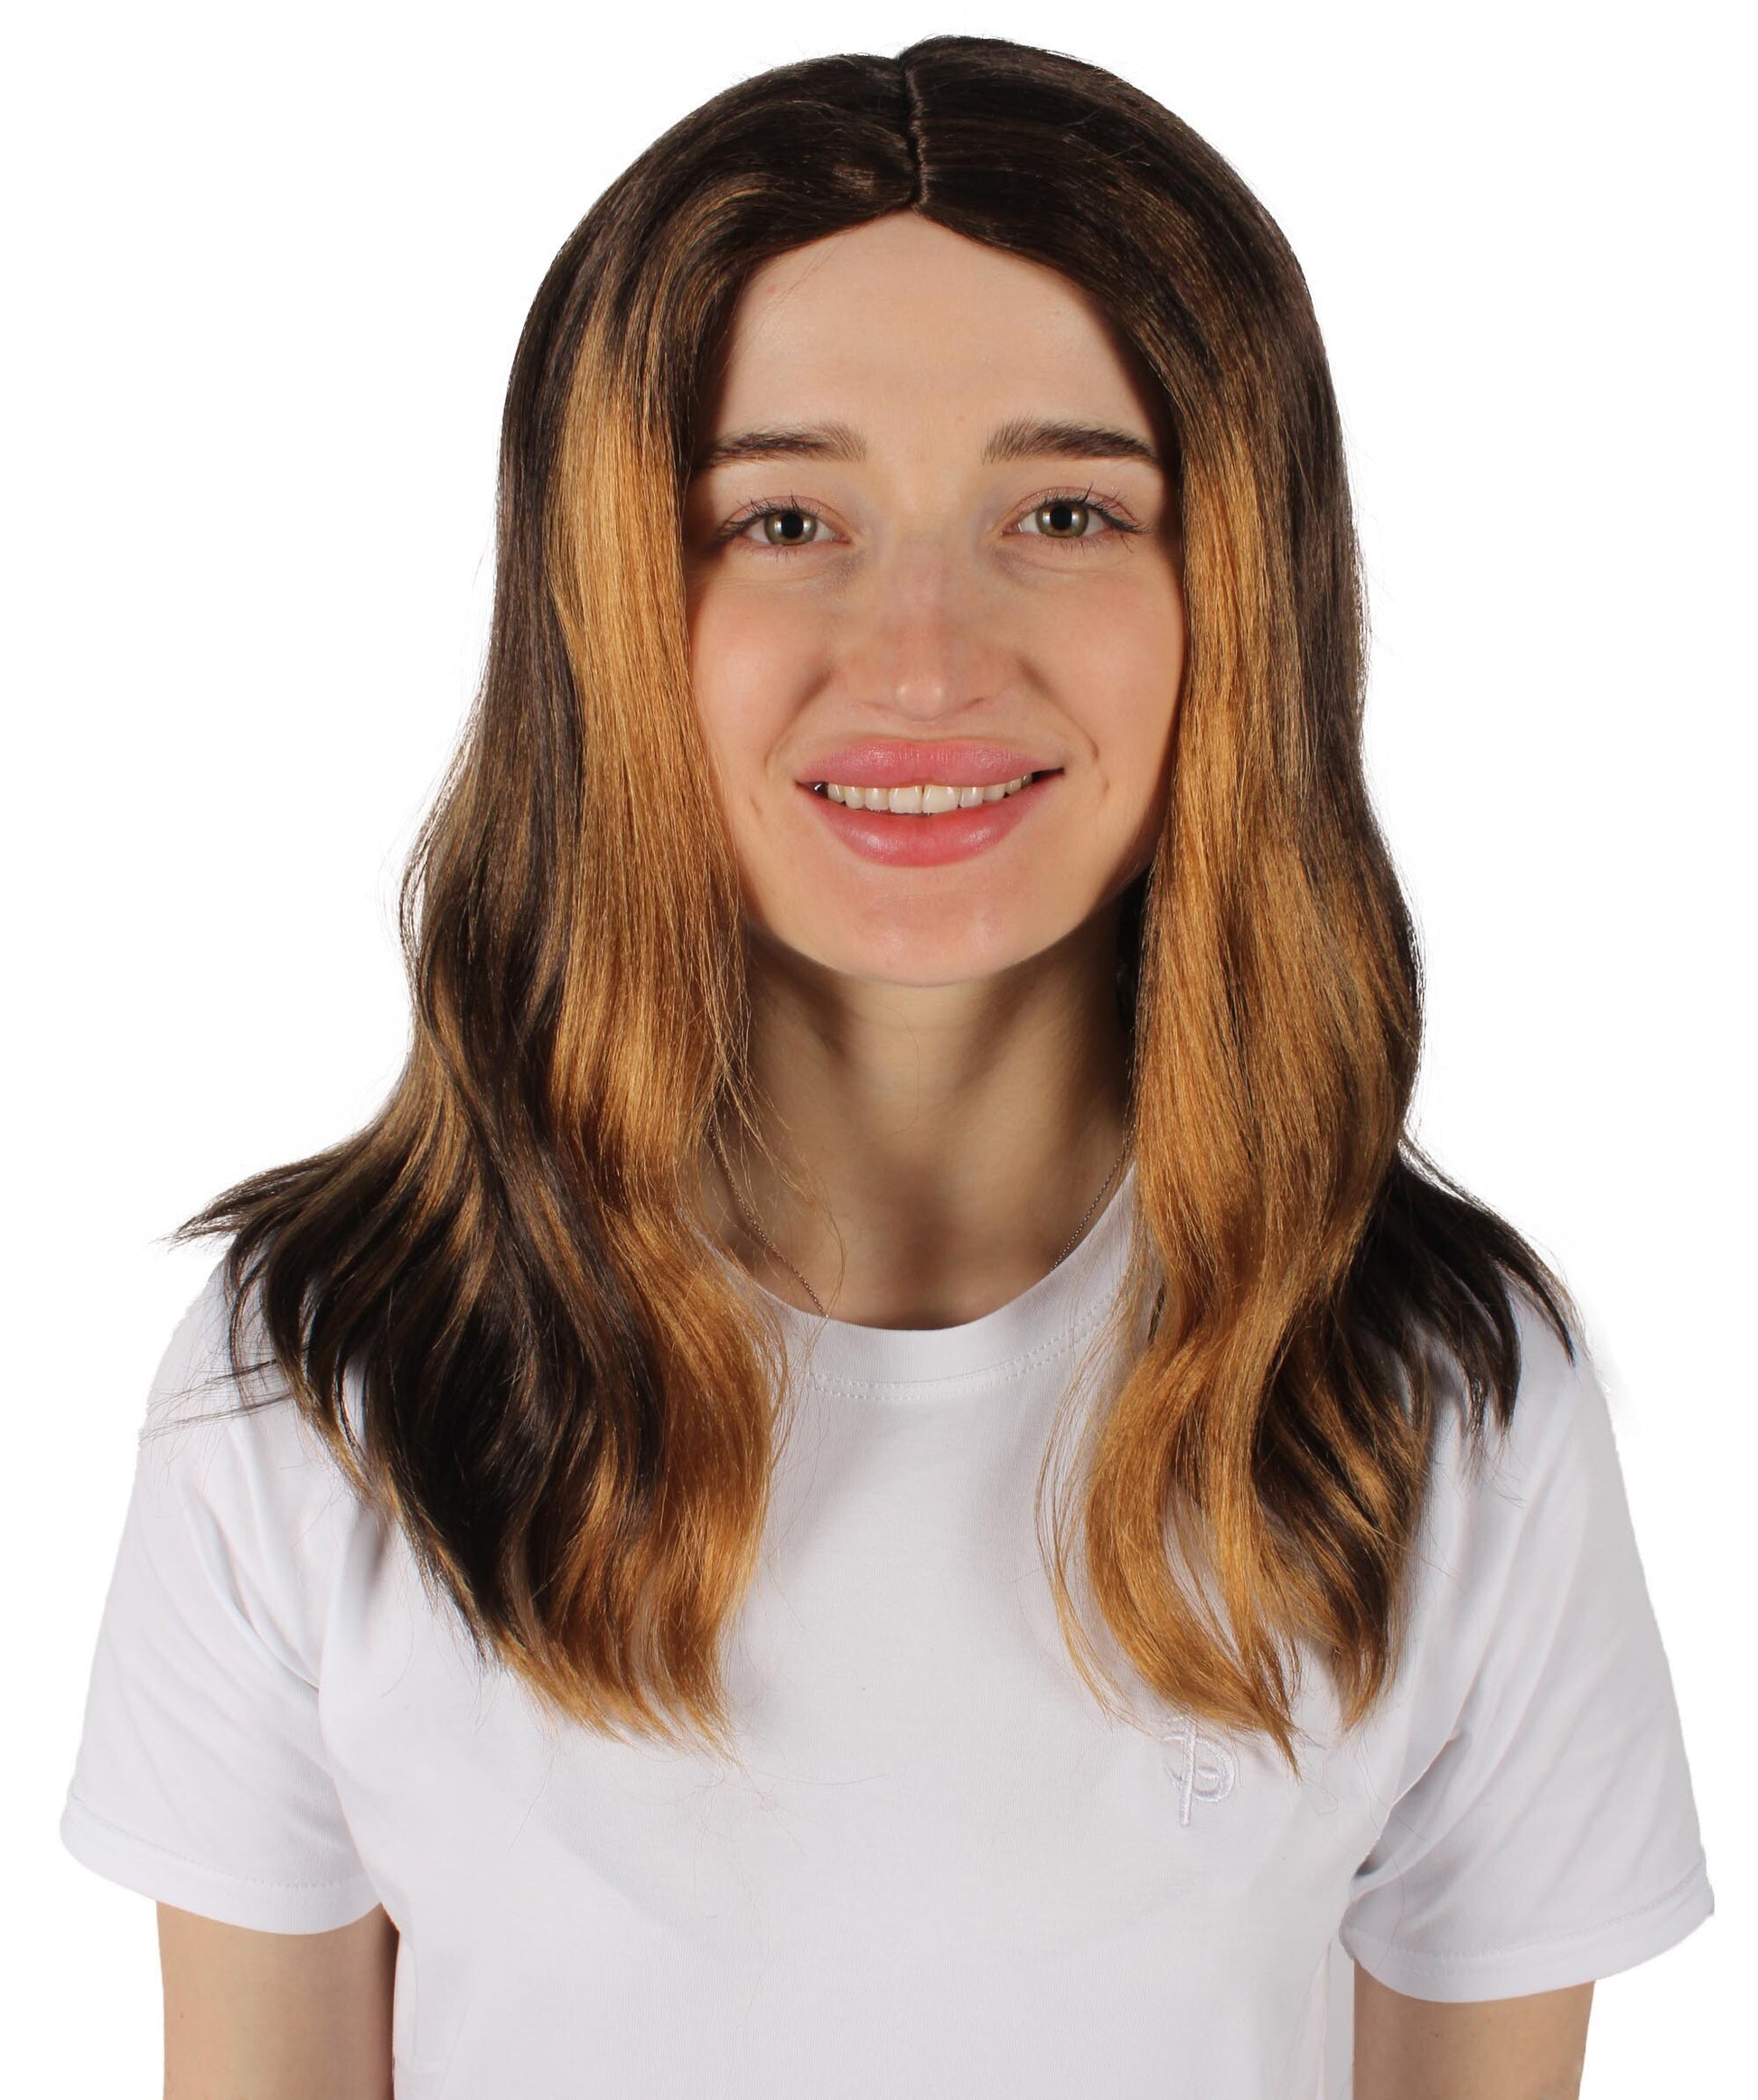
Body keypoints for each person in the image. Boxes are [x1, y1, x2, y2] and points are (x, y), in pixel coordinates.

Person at [61, 33, 1712, 2100]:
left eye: (1064, 509)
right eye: (782, 519)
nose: (925, 656)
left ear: (1242, 593)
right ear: (604, 604)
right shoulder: (320, 1386)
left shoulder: (1435, 1401)